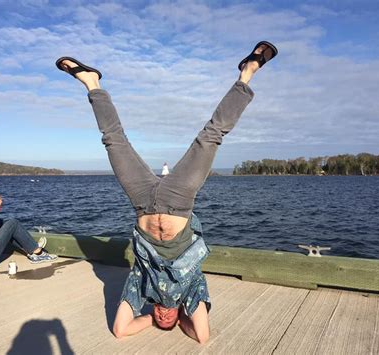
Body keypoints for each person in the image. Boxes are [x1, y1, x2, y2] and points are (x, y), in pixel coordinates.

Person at [56, 40, 278, 343]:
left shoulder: (141, 287)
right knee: (211, 136)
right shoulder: (192, 289)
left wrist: (147, 318)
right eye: (167, 320)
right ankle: (247, 73)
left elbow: (121, 330)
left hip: (142, 202)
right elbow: (202, 336)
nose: (163, 316)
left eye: (158, 318)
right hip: (179, 200)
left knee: (113, 140)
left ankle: (92, 83)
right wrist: (184, 317)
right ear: (179, 317)